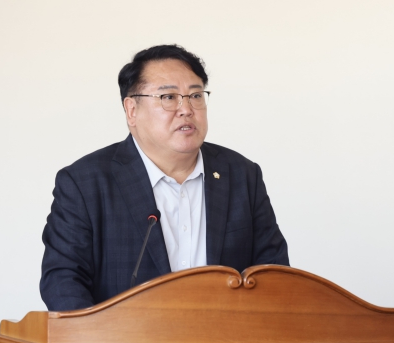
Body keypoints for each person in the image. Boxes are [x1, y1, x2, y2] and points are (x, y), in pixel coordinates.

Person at [40, 44, 288, 311]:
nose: (186, 109)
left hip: (225, 336)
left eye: (195, 96)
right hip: (127, 337)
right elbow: (63, 281)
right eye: (169, 97)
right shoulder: (84, 184)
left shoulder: (241, 175)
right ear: (132, 110)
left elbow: (274, 275)